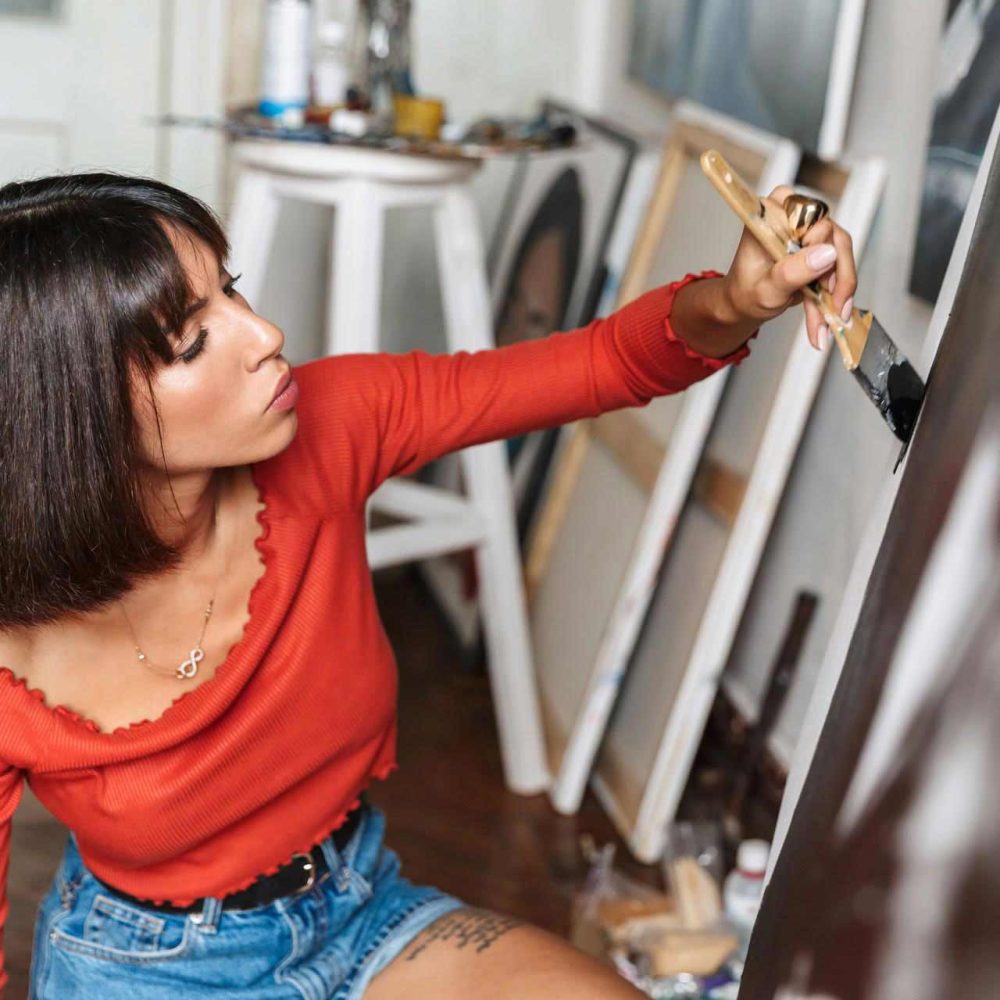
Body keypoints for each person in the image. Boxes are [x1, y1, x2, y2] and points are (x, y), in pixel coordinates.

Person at [0, 172, 855, 999]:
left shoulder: (335, 423)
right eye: (194, 340)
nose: (264, 335)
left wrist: (739, 301)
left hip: (360, 910)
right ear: (74, 416)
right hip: (149, 968)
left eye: (233, 291)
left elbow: (603, 364)